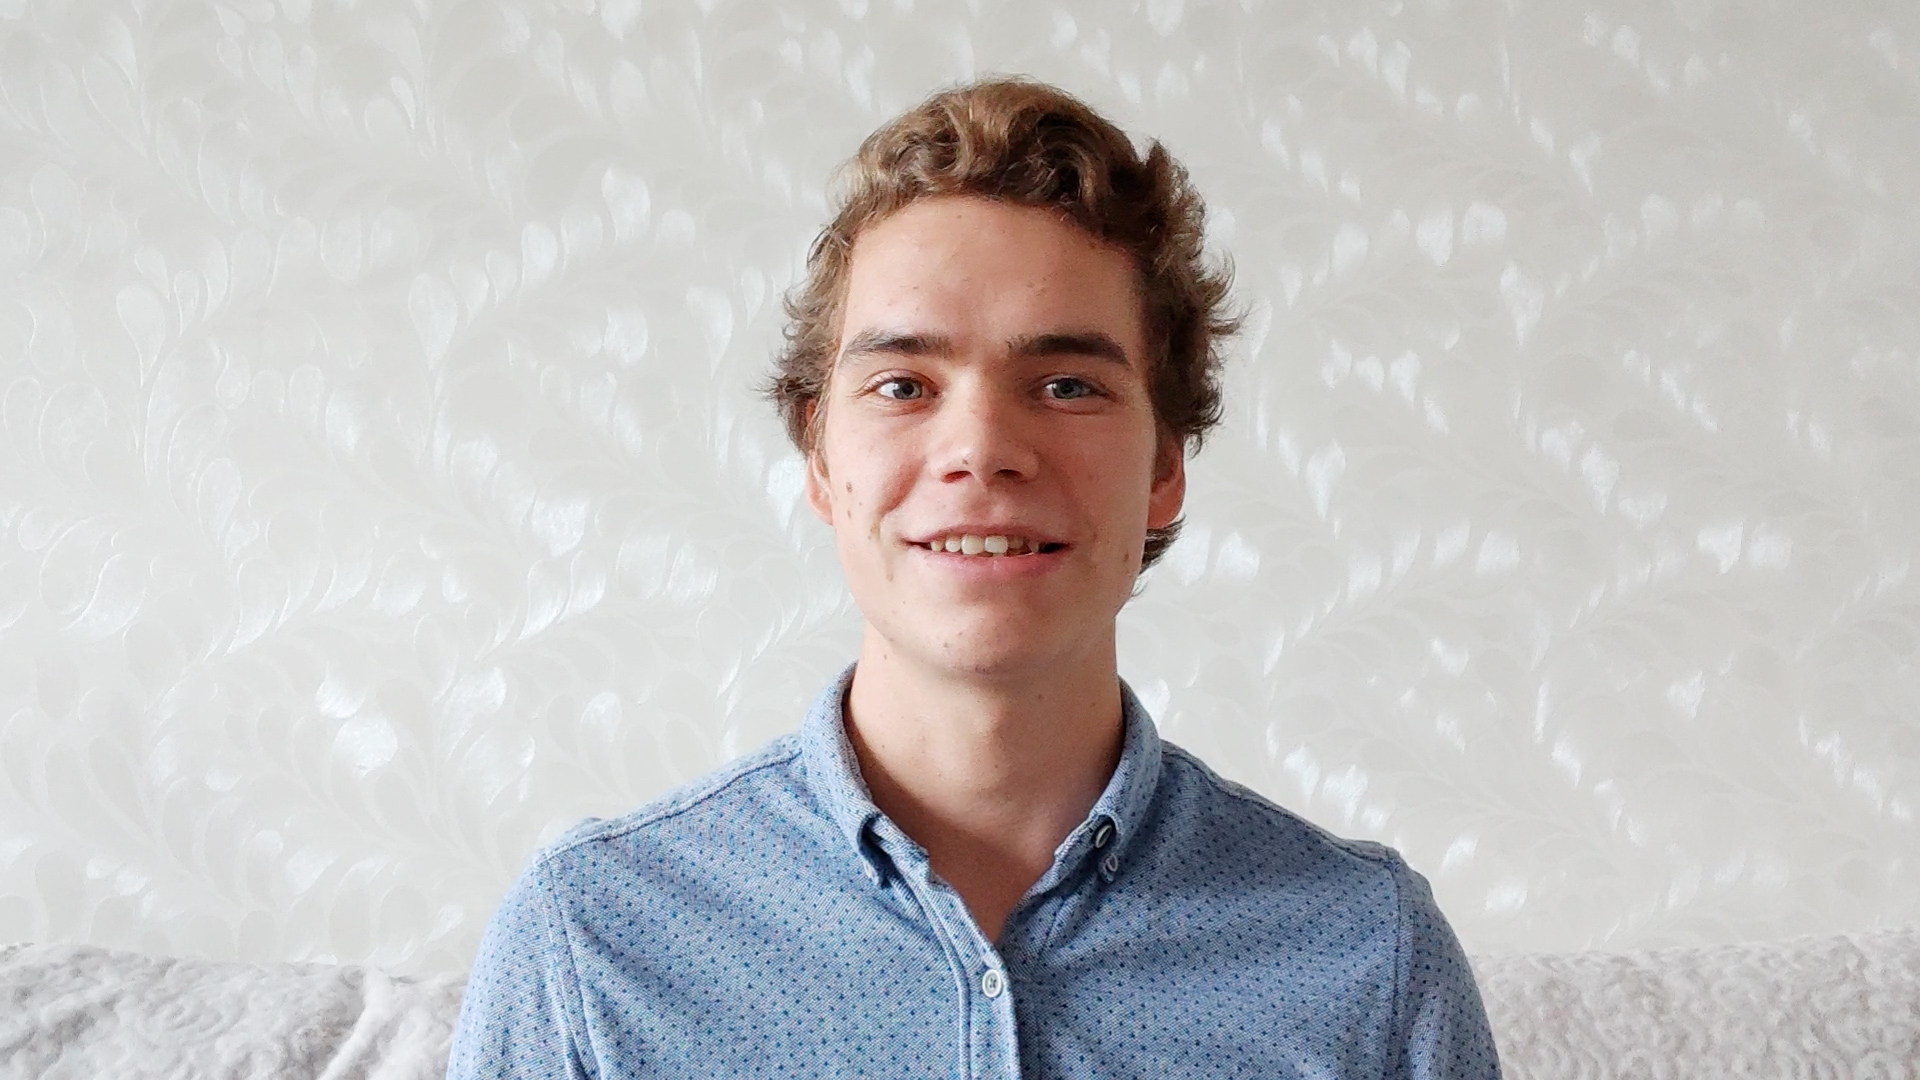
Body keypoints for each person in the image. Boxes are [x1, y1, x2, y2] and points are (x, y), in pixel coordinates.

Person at [446, 77, 1501, 1079]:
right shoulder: (589, 941)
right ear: (819, 459)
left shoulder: (1370, 955)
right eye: (904, 384)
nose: (983, 449)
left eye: (1067, 384)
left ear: (1164, 466)